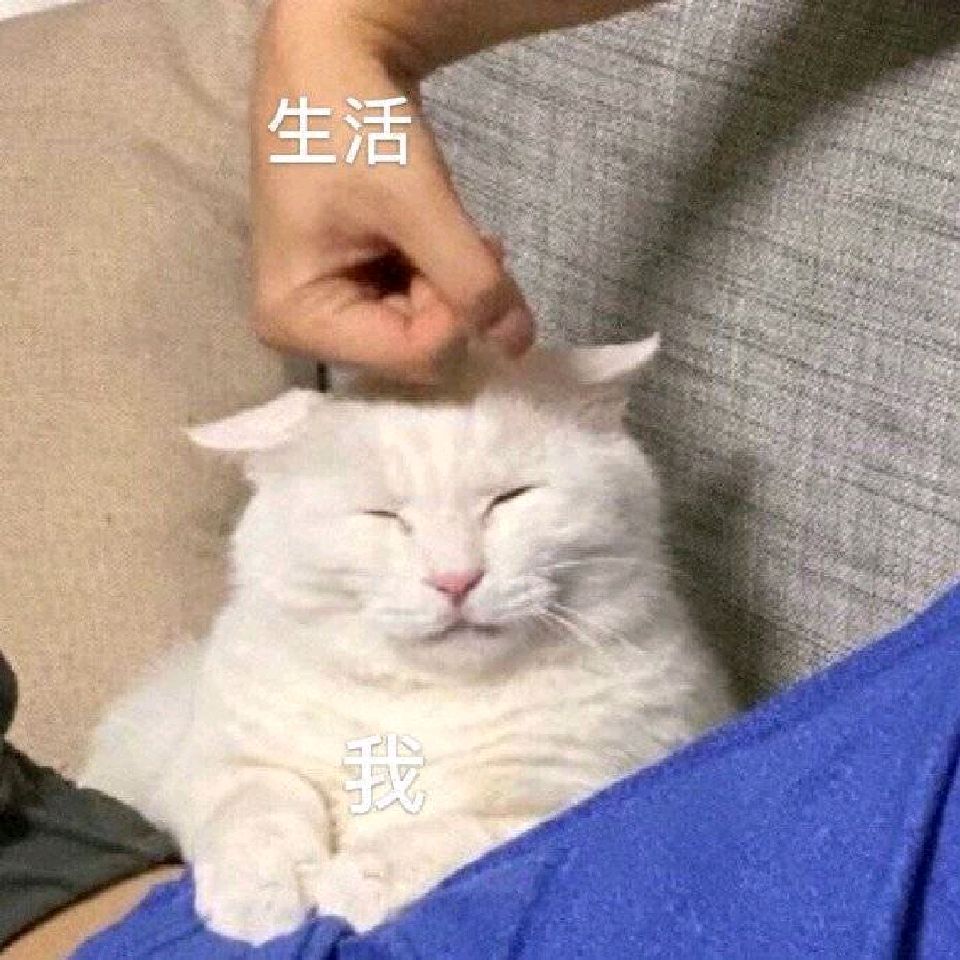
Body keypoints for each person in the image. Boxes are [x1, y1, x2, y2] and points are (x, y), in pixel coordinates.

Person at [1, 1, 650, 955]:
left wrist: (341, 34)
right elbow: (223, 763)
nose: (455, 570)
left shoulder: (633, 699)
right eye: (387, 519)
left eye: (509, 502)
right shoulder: (256, 684)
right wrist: (256, 807)